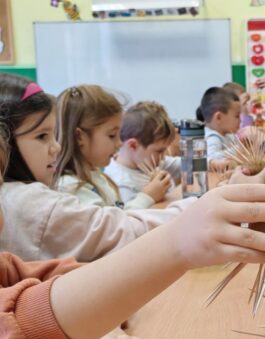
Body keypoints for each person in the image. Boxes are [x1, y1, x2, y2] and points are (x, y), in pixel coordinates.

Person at [0, 120, 265, 339]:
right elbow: (23, 327)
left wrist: (93, 319)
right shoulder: (30, 201)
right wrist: (177, 243)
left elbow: (63, 274)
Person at [0, 74, 193, 262]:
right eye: (42, 136)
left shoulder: (95, 177)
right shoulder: (38, 200)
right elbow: (117, 232)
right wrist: (191, 210)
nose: (56, 147)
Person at [55, 86, 173, 209]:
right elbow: (117, 221)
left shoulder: (97, 176)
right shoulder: (72, 190)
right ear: (79, 137)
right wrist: (147, 197)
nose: (119, 143)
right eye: (112, 135)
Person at [105, 101, 181, 206]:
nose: (163, 157)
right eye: (159, 151)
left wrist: (205, 160)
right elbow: (131, 215)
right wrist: (153, 194)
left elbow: (184, 164)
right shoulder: (121, 184)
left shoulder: (148, 161)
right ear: (133, 145)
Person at [197, 86, 241, 172]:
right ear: (219, 117)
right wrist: (240, 149)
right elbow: (212, 158)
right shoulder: (212, 137)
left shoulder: (227, 134)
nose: (240, 120)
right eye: (237, 116)